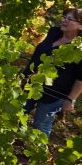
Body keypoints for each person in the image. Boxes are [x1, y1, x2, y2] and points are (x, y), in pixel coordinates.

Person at [23, 8, 82, 137]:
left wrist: (70, 99)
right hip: (30, 84)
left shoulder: (80, 49)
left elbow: (80, 79)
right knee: (17, 113)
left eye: (69, 19)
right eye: (64, 16)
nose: (64, 20)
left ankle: (35, 154)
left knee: (40, 127)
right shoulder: (54, 32)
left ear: (80, 26)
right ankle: (10, 143)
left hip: (53, 95)